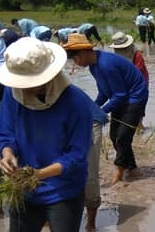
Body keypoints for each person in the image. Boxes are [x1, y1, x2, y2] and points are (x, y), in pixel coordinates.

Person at [0, 37, 93, 232]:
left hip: (64, 187)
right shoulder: (12, 96)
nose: (23, 88)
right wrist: (7, 155)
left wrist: (39, 174)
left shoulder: (75, 103)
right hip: (25, 187)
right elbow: (5, 133)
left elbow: (76, 156)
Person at [63, 32, 147, 185]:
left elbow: (120, 94)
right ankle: (132, 168)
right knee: (115, 135)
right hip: (122, 97)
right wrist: (92, 109)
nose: (74, 63)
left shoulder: (106, 65)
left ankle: (119, 173)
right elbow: (104, 92)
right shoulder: (94, 66)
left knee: (122, 136)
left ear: (82, 54)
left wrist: (102, 112)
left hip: (135, 97)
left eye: (75, 59)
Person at [109, 32, 150, 130]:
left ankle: (140, 125)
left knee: (139, 103)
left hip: (140, 81)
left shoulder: (136, 55)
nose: (118, 50)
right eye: (117, 49)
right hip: (125, 82)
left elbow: (138, 71)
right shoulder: (117, 55)